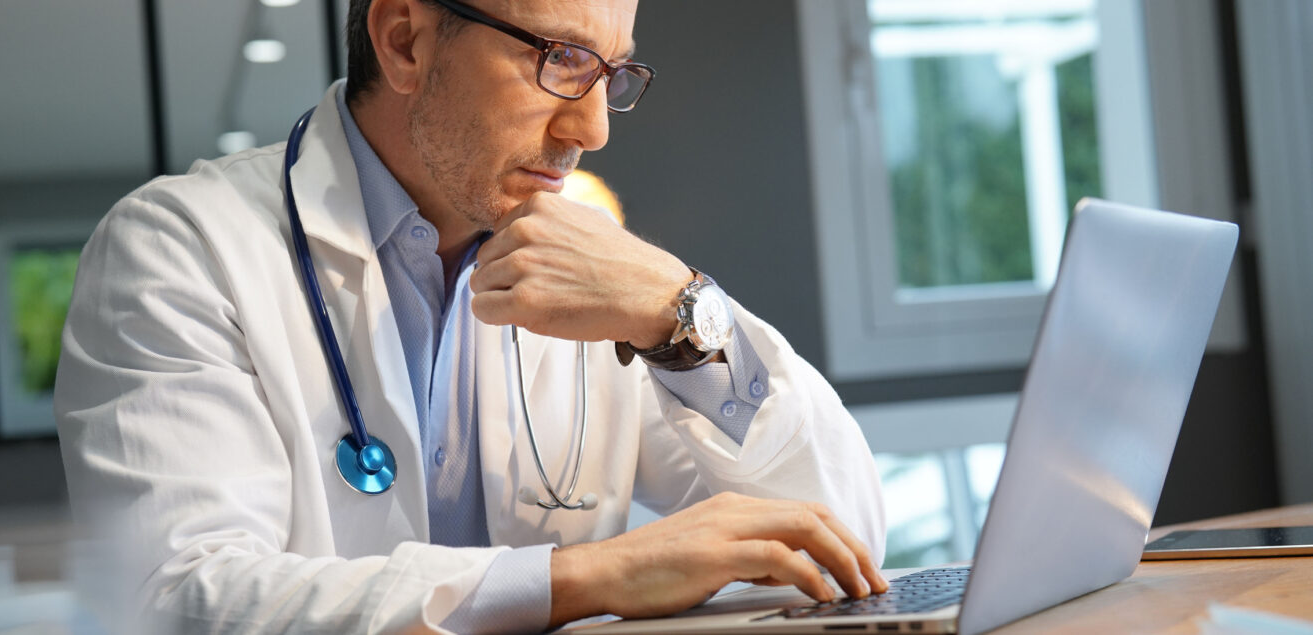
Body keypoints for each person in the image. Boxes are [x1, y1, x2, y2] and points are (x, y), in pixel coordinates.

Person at [54, 0, 888, 632]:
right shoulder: (178, 249)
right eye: (561, 60)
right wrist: (582, 578)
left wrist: (682, 315)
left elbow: (843, 541)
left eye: (612, 74)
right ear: (406, 40)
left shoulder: (594, 264)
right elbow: (179, 601)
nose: (592, 127)